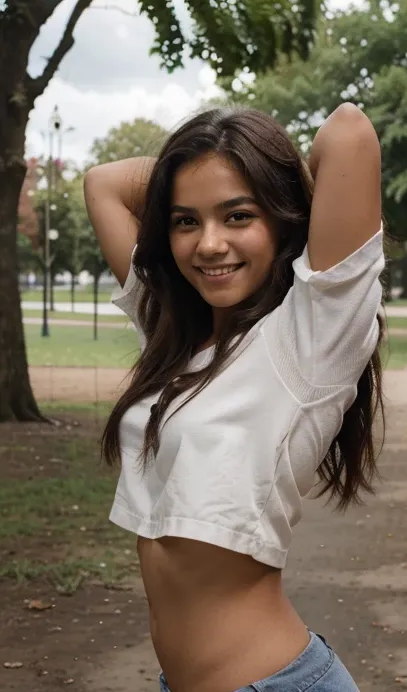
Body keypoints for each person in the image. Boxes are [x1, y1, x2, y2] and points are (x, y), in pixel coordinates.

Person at [84, 104, 385, 692]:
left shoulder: (308, 338)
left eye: (238, 214)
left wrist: (251, 166)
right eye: (185, 221)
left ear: (280, 218)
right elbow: (103, 184)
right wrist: (204, 169)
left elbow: (348, 131)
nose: (209, 244)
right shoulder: (178, 341)